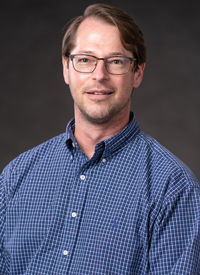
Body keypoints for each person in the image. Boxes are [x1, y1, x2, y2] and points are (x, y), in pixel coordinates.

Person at [0, 3, 200, 275]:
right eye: (85, 60)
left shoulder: (173, 188)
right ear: (66, 69)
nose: (99, 75)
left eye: (116, 61)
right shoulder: (16, 177)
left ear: (137, 73)